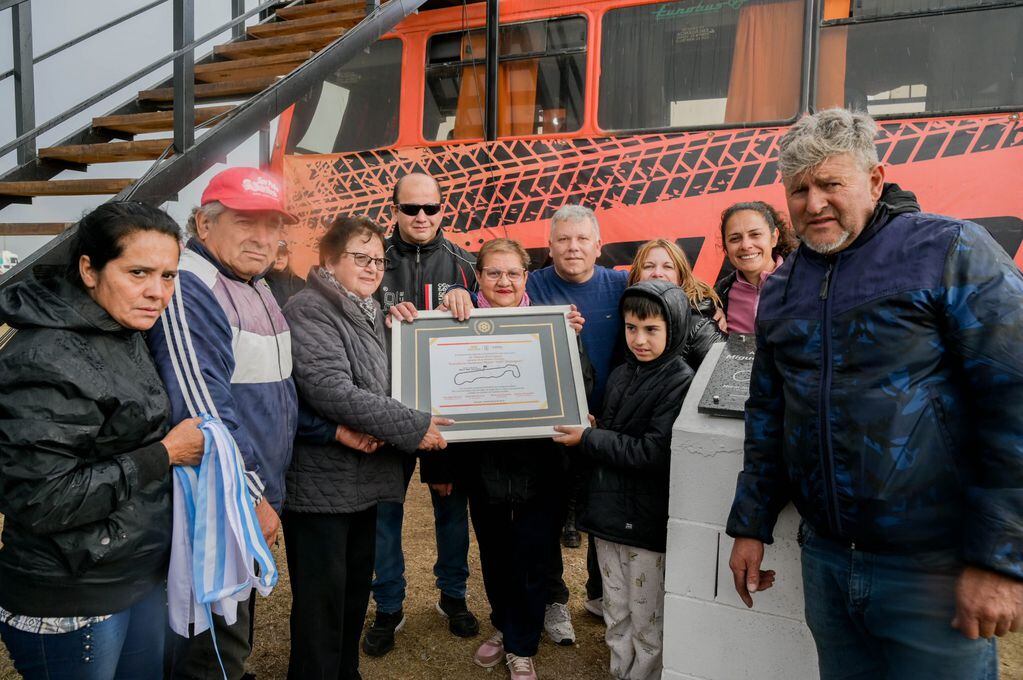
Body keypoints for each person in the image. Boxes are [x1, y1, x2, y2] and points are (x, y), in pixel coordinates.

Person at [726, 108, 1023, 679]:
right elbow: (768, 413)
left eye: (831, 184)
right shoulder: (784, 286)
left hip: (934, 568)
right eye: (799, 189)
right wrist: (750, 524)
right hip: (828, 560)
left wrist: (1001, 560)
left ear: (876, 180)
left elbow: (1013, 402)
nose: (814, 204)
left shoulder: (950, 250)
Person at [0, 202, 205, 679]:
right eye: (138, 272)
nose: (157, 293)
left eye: (169, 276)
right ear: (88, 270)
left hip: (132, 574)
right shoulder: (46, 355)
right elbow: (42, 497)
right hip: (70, 593)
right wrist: (165, 454)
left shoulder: (120, 325)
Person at [147, 167, 300, 680]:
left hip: (248, 492)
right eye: (246, 222)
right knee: (211, 636)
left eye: (274, 224)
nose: (263, 237)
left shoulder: (252, 282)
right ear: (204, 224)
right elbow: (203, 410)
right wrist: (252, 495)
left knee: (233, 621)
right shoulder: (193, 287)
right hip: (220, 499)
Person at [283, 215, 451, 679]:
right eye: (360, 257)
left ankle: (346, 672)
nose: (373, 266)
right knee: (322, 602)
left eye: (378, 259)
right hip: (322, 485)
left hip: (363, 481)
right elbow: (329, 389)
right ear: (330, 261)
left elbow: (393, 381)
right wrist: (414, 425)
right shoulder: (310, 309)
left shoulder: (370, 310)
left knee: (355, 591)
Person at [420, 238, 583, 680]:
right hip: (482, 467)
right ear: (478, 276)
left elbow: (578, 387)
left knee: (533, 555)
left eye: (513, 273)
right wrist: (437, 468)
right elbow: (432, 395)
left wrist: (571, 343)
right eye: (494, 272)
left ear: (526, 277)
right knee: (493, 555)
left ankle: (521, 645)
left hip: (543, 466)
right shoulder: (454, 322)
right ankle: (506, 626)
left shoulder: (557, 323)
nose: (504, 281)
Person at [553, 279, 695, 680]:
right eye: (632, 327)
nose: (639, 339)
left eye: (651, 329)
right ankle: (620, 670)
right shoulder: (620, 373)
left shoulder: (680, 380)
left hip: (645, 521)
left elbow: (652, 452)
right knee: (615, 608)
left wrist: (591, 437)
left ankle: (645, 673)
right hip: (608, 514)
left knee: (647, 614)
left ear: (675, 327)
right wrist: (595, 428)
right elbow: (614, 435)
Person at [365, 172, 481, 656]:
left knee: (451, 508)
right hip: (387, 409)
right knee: (383, 514)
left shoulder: (465, 264)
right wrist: (380, 315)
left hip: (444, 413)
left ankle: (453, 596)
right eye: (410, 208)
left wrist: (469, 303)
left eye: (430, 208)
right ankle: (388, 606)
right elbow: (350, 318)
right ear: (393, 210)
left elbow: (496, 320)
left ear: (442, 209)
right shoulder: (373, 261)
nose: (420, 217)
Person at [526, 204, 629, 620]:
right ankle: (554, 599)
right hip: (548, 424)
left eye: (582, 239)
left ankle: (600, 594)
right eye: (563, 240)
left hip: (606, 423)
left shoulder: (621, 285)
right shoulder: (529, 285)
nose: (573, 248)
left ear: (598, 246)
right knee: (546, 514)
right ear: (549, 247)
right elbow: (488, 309)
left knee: (603, 515)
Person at [627, 238, 725, 371]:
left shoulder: (700, 324)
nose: (657, 273)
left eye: (667, 267)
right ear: (636, 276)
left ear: (681, 277)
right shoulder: (628, 315)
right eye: (648, 266)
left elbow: (725, 375)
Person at [713, 201, 796, 335]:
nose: (745, 245)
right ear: (726, 247)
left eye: (755, 234)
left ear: (774, 237)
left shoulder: (807, 281)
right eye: (735, 239)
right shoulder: (718, 297)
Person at [266, 239, 305, 308]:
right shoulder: (261, 283)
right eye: (276, 254)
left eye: (283, 254)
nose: (280, 257)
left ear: (288, 257)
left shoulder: (300, 283)